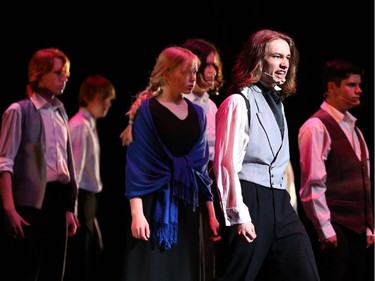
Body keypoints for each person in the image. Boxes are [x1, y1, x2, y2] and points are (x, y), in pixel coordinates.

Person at [213, 29, 320, 281]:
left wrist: (288, 205)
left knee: (304, 271)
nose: (284, 63)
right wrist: (238, 214)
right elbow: (226, 165)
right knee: (240, 274)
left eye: (287, 57)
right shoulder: (238, 102)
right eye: (276, 56)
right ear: (257, 59)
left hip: (280, 203)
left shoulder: (278, 104)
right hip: (251, 197)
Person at [120, 46, 221, 281]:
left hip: (187, 203)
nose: (193, 78)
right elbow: (137, 165)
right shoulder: (148, 110)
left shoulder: (198, 113)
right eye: (186, 72)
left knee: (184, 271)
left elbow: (201, 169)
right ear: (166, 73)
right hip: (153, 203)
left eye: (195, 72)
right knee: (152, 270)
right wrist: (137, 213)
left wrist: (211, 213)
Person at [0, 48, 78, 281]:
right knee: (28, 269)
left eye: (65, 74)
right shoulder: (19, 111)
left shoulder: (60, 112)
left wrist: (69, 209)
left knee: (54, 270)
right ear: (39, 75)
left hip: (57, 199)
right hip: (32, 203)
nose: (64, 78)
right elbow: (5, 163)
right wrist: (9, 208)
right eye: (57, 73)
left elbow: (66, 164)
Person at [298, 59, 374, 281]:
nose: (359, 90)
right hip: (334, 228)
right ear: (332, 87)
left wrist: (368, 225)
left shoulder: (355, 129)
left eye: (359, 85)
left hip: (357, 231)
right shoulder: (316, 126)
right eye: (351, 85)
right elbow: (312, 183)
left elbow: (365, 181)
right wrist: (325, 229)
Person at [64, 74, 116, 281]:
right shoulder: (79, 126)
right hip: (81, 198)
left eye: (109, 99)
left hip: (89, 202)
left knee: (93, 252)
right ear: (89, 96)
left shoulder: (89, 124)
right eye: (104, 98)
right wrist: (73, 208)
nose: (108, 104)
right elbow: (74, 172)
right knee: (81, 259)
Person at [181, 38, 225, 280]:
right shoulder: (183, 103)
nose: (212, 71)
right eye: (207, 65)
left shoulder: (212, 106)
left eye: (215, 66)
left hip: (209, 185)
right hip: (188, 186)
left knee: (208, 258)